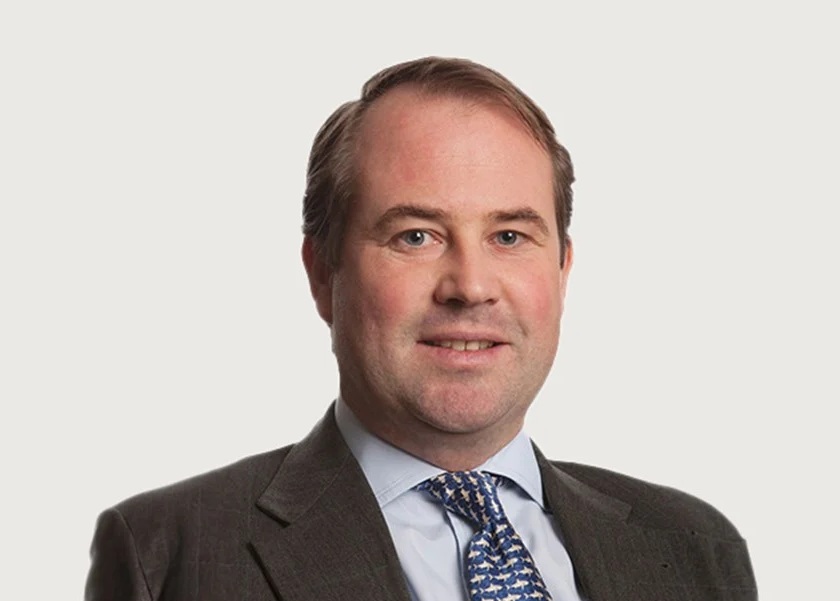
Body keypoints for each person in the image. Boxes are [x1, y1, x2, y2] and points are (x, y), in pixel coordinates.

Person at [85, 56, 757, 601]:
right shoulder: (167, 557)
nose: (470, 285)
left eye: (509, 235)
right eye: (416, 235)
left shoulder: (696, 550)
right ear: (322, 273)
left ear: (562, 269)